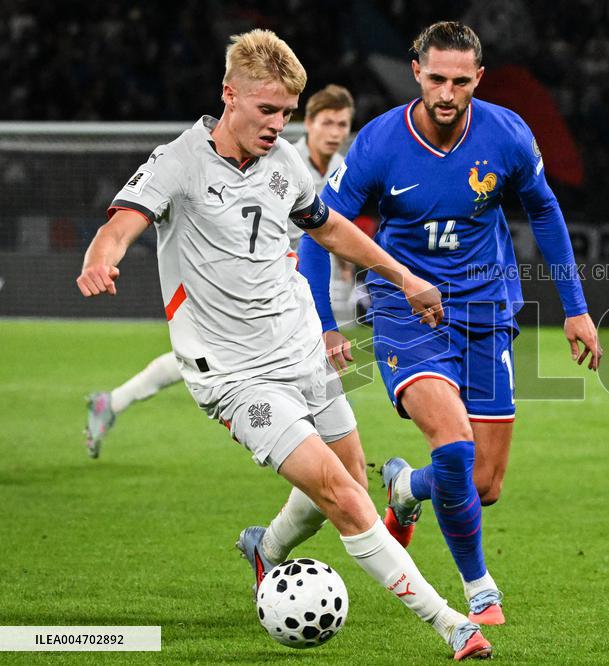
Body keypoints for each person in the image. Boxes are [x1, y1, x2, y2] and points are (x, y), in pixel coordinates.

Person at [75, 29, 490, 660]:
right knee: (344, 493)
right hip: (235, 375)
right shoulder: (178, 162)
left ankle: (264, 550)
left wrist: (404, 278)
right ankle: (451, 623)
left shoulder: (283, 163)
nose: (277, 125)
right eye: (266, 110)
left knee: (347, 478)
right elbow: (121, 225)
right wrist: (102, 259)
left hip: (300, 349)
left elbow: (331, 230)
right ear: (229, 96)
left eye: (286, 113)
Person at [305, 21, 603, 626]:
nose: (446, 92)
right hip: (404, 311)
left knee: (484, 484)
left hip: (487, 310)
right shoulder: (378, 143)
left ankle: (407, 488)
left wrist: (575, 308)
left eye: (460, 81)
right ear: (416, 71)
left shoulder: (508, 134)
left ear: (478, 79)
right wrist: (327, 322)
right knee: (454, 441)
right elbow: (318, 230)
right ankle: (478, 588)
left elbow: (544, 210)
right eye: (436, 78)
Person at [83, 85, 358, 459]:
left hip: (291, 287)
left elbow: (330, 227)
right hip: (247, 283)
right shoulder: (279, 156)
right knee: (217, 363)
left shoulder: (339, 166)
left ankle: (111, 402)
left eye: (343, 124)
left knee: (322, 412)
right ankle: (112, 402)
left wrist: (343, 266)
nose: (336, 132)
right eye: (328, 122)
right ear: (309, 123)